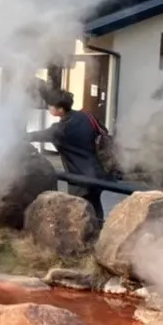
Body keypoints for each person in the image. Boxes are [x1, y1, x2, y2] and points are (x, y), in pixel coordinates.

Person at [28, 88, 109, 225]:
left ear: (60, 109)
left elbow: (37, 135)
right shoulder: (87, 116)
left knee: (80, 215)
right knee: (96, 209)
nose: (48, 108)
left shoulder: (60, 129)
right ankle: (100, 233)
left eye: (50, 106)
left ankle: (88, 240)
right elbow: (104, 132)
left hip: (79, 178)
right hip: (98, 172)